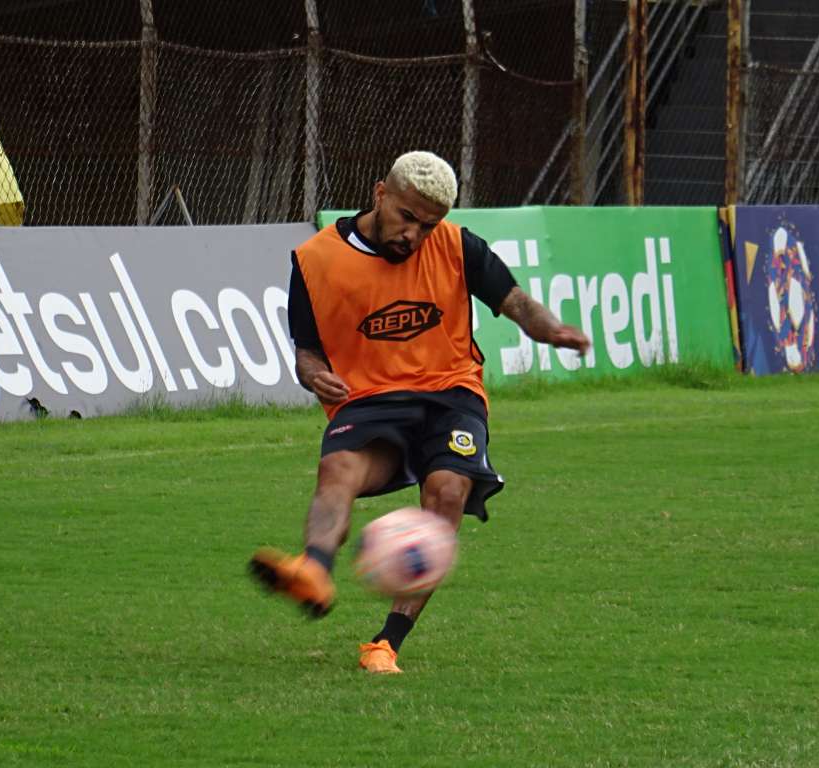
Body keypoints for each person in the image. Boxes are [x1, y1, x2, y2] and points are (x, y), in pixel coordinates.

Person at [249, 150, 589, 674]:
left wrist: (549, 329)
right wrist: (312, 373)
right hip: (368, 398)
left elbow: (516, 300)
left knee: (448, 489)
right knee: (337, 469)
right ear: (380, 193)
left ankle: (386, 643)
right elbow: (306, 349)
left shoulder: (457, 247)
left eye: (428, 225)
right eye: (407, 217)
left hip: (449, 392)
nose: (414, 234)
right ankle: (314, 570)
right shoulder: (315, 261)